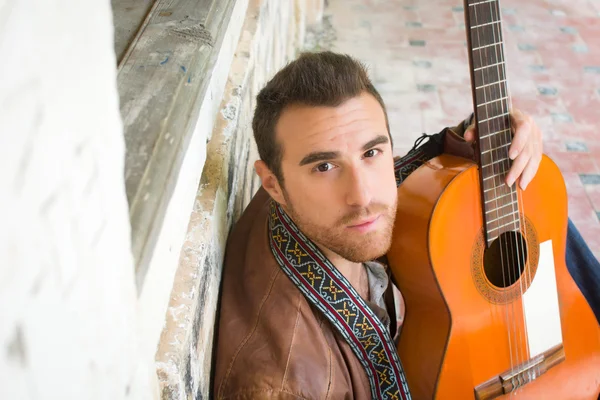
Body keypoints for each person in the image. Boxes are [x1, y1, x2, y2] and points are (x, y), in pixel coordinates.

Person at [212, 51, 599, 399]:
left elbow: (403, 169)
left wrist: (491, 135)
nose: (362, 196)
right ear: (272, 183)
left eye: (371, 152)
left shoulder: (301, 191)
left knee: (527, 202)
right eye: (325, 167)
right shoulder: (288, 384)